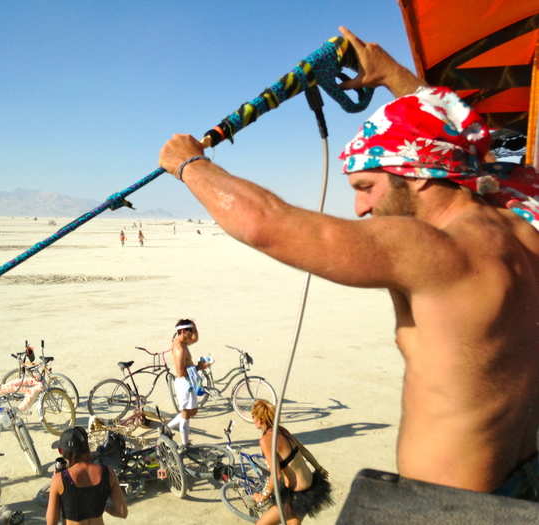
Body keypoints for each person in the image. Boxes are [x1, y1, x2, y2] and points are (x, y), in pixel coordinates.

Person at [159, 26, 539, 498]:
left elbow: (266, 223)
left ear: (419, 177)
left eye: (366, 187)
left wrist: (189, 164)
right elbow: (460, 140)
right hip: (525, 482)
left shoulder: (436, 251)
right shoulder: (522, 222)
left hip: (453, 505)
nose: (360, 208)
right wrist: (392, 75)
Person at [251, 401, 332, 524]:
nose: (252, 420)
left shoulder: (266, 440)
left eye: (253, 416)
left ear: (260, 419)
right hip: (311, 486)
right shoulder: (282, 430)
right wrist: (318, 468)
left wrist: (263, 496)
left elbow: (276, 475)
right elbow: (303, 450)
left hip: (295, 495)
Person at [46, 426, 127, 525]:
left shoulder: (59, 479)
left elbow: (51, 522)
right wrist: (100, 504)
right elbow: (122, 512)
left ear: (61, 451)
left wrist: (56, 481)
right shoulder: (108, 473)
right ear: (86, 447)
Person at [166, 319, 210, 447]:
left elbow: (195, 339)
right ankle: (185, 444)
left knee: (193, 411)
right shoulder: (180, 348)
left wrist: (194, 326)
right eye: (190, 331)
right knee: (186, 413)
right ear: (183, 331)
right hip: (184, 383)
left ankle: (166, 428)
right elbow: (180, 372)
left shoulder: (182, 341)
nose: (192, 334)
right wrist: (199, 367)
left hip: (187, 381)